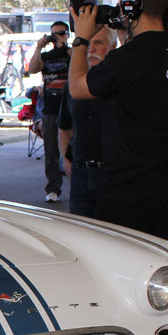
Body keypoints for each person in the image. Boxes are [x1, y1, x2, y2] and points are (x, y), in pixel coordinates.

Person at [68, 0, 168, 242]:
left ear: (132, 4)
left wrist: (81, 38)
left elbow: (77, 87)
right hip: (166, 185)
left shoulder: (130, 59)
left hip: (129, 191)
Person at [57, 26, 118, 217]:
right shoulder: (73, 85)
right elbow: (64, 126)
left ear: (113, 46)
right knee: (80, 235)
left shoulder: (121, 82)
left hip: (114, 174)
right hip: (81, 173)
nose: (90, 49)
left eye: (98, 43)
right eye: (87, 43)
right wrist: (66, 162)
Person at [28, 20, 72, 202]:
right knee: (51, 151)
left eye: (62, 33)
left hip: (71, 106)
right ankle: (53, 188)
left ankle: (77, 184)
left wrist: (66, 47)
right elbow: (32, 69)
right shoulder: (46, 56)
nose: (58, 37)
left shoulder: (73, 53)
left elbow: (82, 61)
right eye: (55, 34)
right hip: (51, 108)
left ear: (67, 34)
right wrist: (39, 47)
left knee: (74, 148)